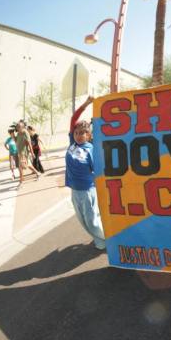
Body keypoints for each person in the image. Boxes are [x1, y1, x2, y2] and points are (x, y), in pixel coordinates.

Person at [66, 96, 105, 250]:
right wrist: (87, 104)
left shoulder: (92, 148)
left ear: (88, 135)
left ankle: (110, 240)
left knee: (92, 221)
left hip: (88, 191)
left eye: (82, 133)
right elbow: (73, 118)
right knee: (83, 220)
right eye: (76, 132)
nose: (78, 135)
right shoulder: (72, 143)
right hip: (74, 190)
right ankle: (101, 242)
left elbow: (98, 170)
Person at [15, 121, 41, 188]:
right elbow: (17, 141)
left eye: (19, 127)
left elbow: (29, 143)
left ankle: (21, 182)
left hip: (24, 153)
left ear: (22, 127)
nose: (17, 128)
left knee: (20, 167)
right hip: (20, 153)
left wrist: (32, 153)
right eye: (17, 127)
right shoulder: (18, 134)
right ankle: (38, 173)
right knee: (28, 165)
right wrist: (13, 136)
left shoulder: (25, 133)